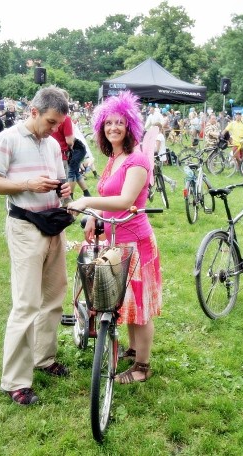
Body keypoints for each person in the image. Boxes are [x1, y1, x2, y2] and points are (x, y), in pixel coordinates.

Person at [0, 86, 73, 406]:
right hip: (25, 227)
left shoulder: (52, 144)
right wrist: (27, 184)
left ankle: (43, 358)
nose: (54, 129)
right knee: (26, 303)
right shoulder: (8, 139)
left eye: (58, 124)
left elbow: (60, 185)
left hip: (53, 225)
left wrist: (65, 189)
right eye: (50, 122)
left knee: (53, 296)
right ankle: (16, 381)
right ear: (33, 112)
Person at [67, 90, 161, 386]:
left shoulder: (137, 160)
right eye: (108, 123)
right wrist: (95, 215)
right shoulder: (115, 157)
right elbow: (109, 195)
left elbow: (125, 200)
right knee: (126, 301)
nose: (114, 128)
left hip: (136, 241)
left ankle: (142, 367)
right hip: (115, 240)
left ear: (130, 125)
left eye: (120, 122)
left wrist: (87, 202)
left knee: (140, 307)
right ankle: (134, 351)